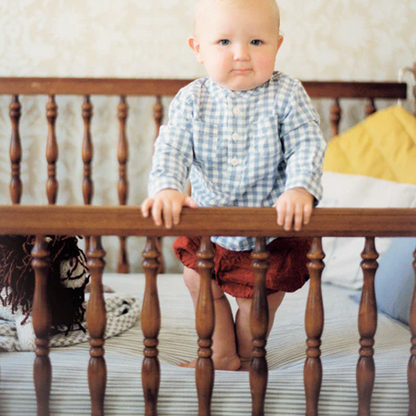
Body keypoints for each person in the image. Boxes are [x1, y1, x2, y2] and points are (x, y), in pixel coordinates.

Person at [141, 0, 326, 371]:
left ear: (277, 44)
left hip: (271, 234)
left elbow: (307, 143)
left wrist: (299, 188)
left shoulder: (287, 94)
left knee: (256, 307)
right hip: (210, 231)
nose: (241, 54)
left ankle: (246, 354)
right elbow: (172, 147)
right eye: (224, 42)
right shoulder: (192, 99)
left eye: (257, 42)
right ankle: (222, 354)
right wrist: (167, 188)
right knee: (197, 280)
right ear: (198, 49)